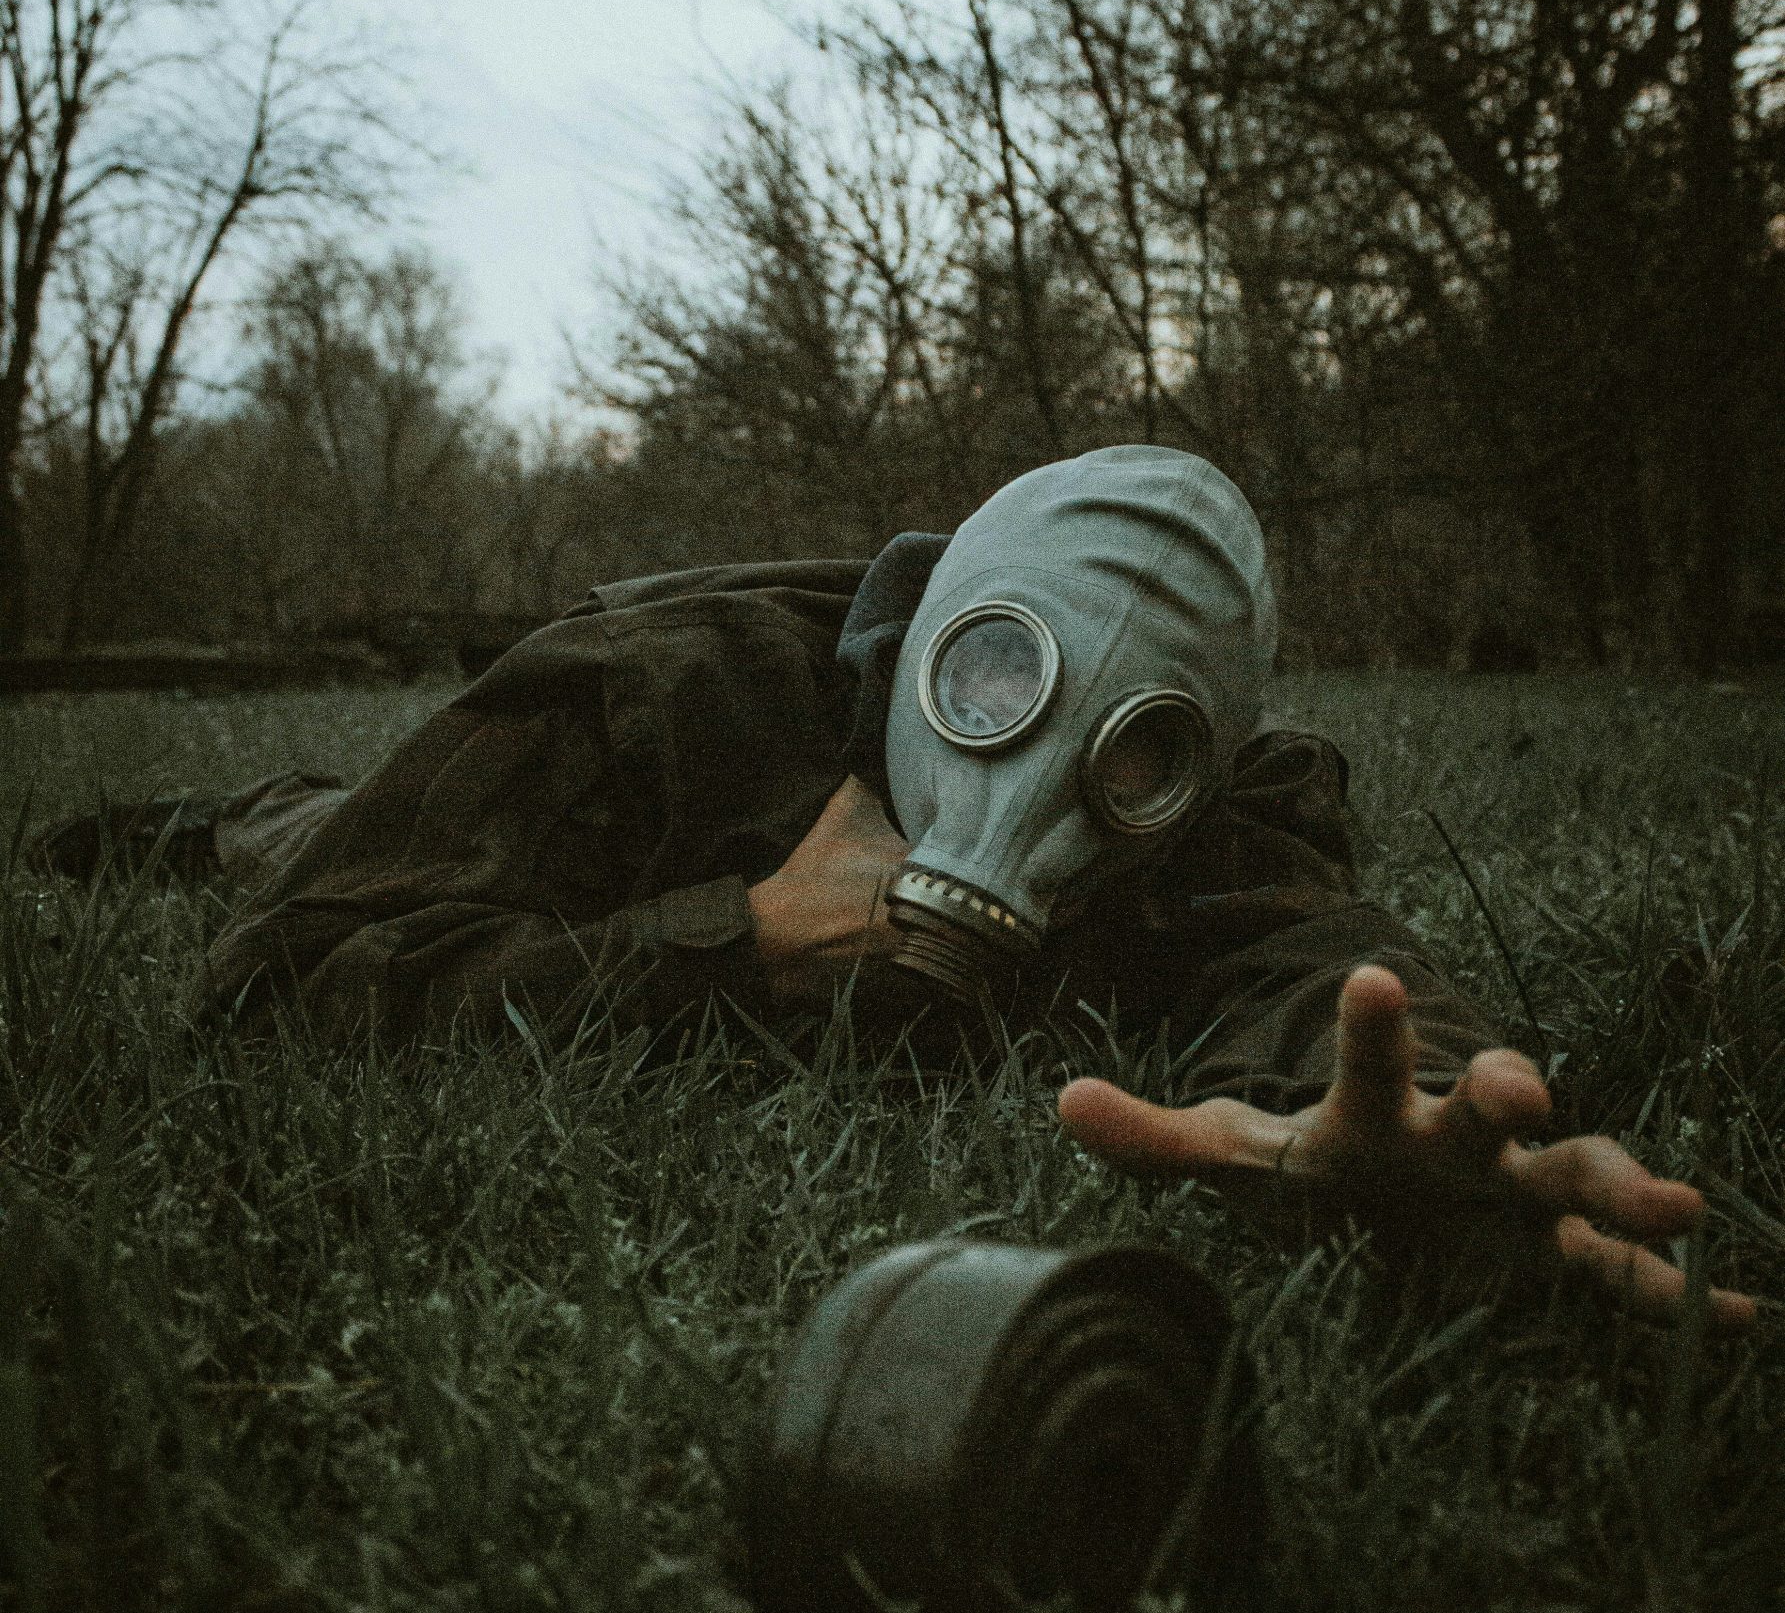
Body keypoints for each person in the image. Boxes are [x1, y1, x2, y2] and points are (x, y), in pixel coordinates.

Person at [29, 444, 1752, 1327]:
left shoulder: (1204, 827)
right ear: (920, 637)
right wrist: (732, 944)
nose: (1045, 777)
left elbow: (1327, 973)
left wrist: (1430, 1120)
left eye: (1131, 756)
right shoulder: (659, 683)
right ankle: (187, 811)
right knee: (293, 837)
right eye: (995, 685)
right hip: (560, 849)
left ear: (1197, 768)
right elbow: (283, 975)